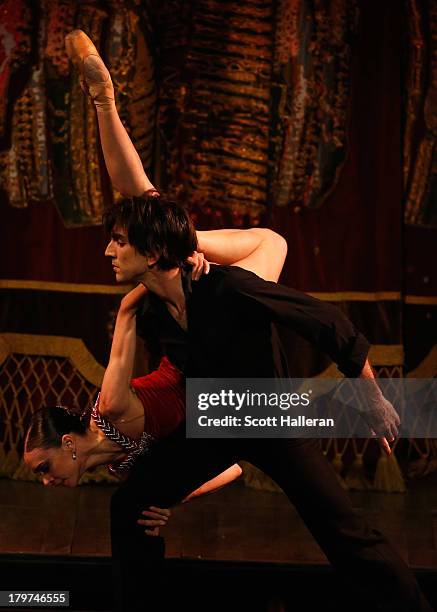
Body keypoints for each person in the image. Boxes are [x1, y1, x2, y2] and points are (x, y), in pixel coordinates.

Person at [57, 31, 432, 612]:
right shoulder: (154, 301)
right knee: (131, 504)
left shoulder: (226, 286)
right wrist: (171, 488)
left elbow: (323, 320)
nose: (107, 251)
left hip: (265, 409)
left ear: (154, 254)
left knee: (343, 531)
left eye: (119, 242)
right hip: (216, 413)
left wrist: (375, 397)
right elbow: (135, 192)